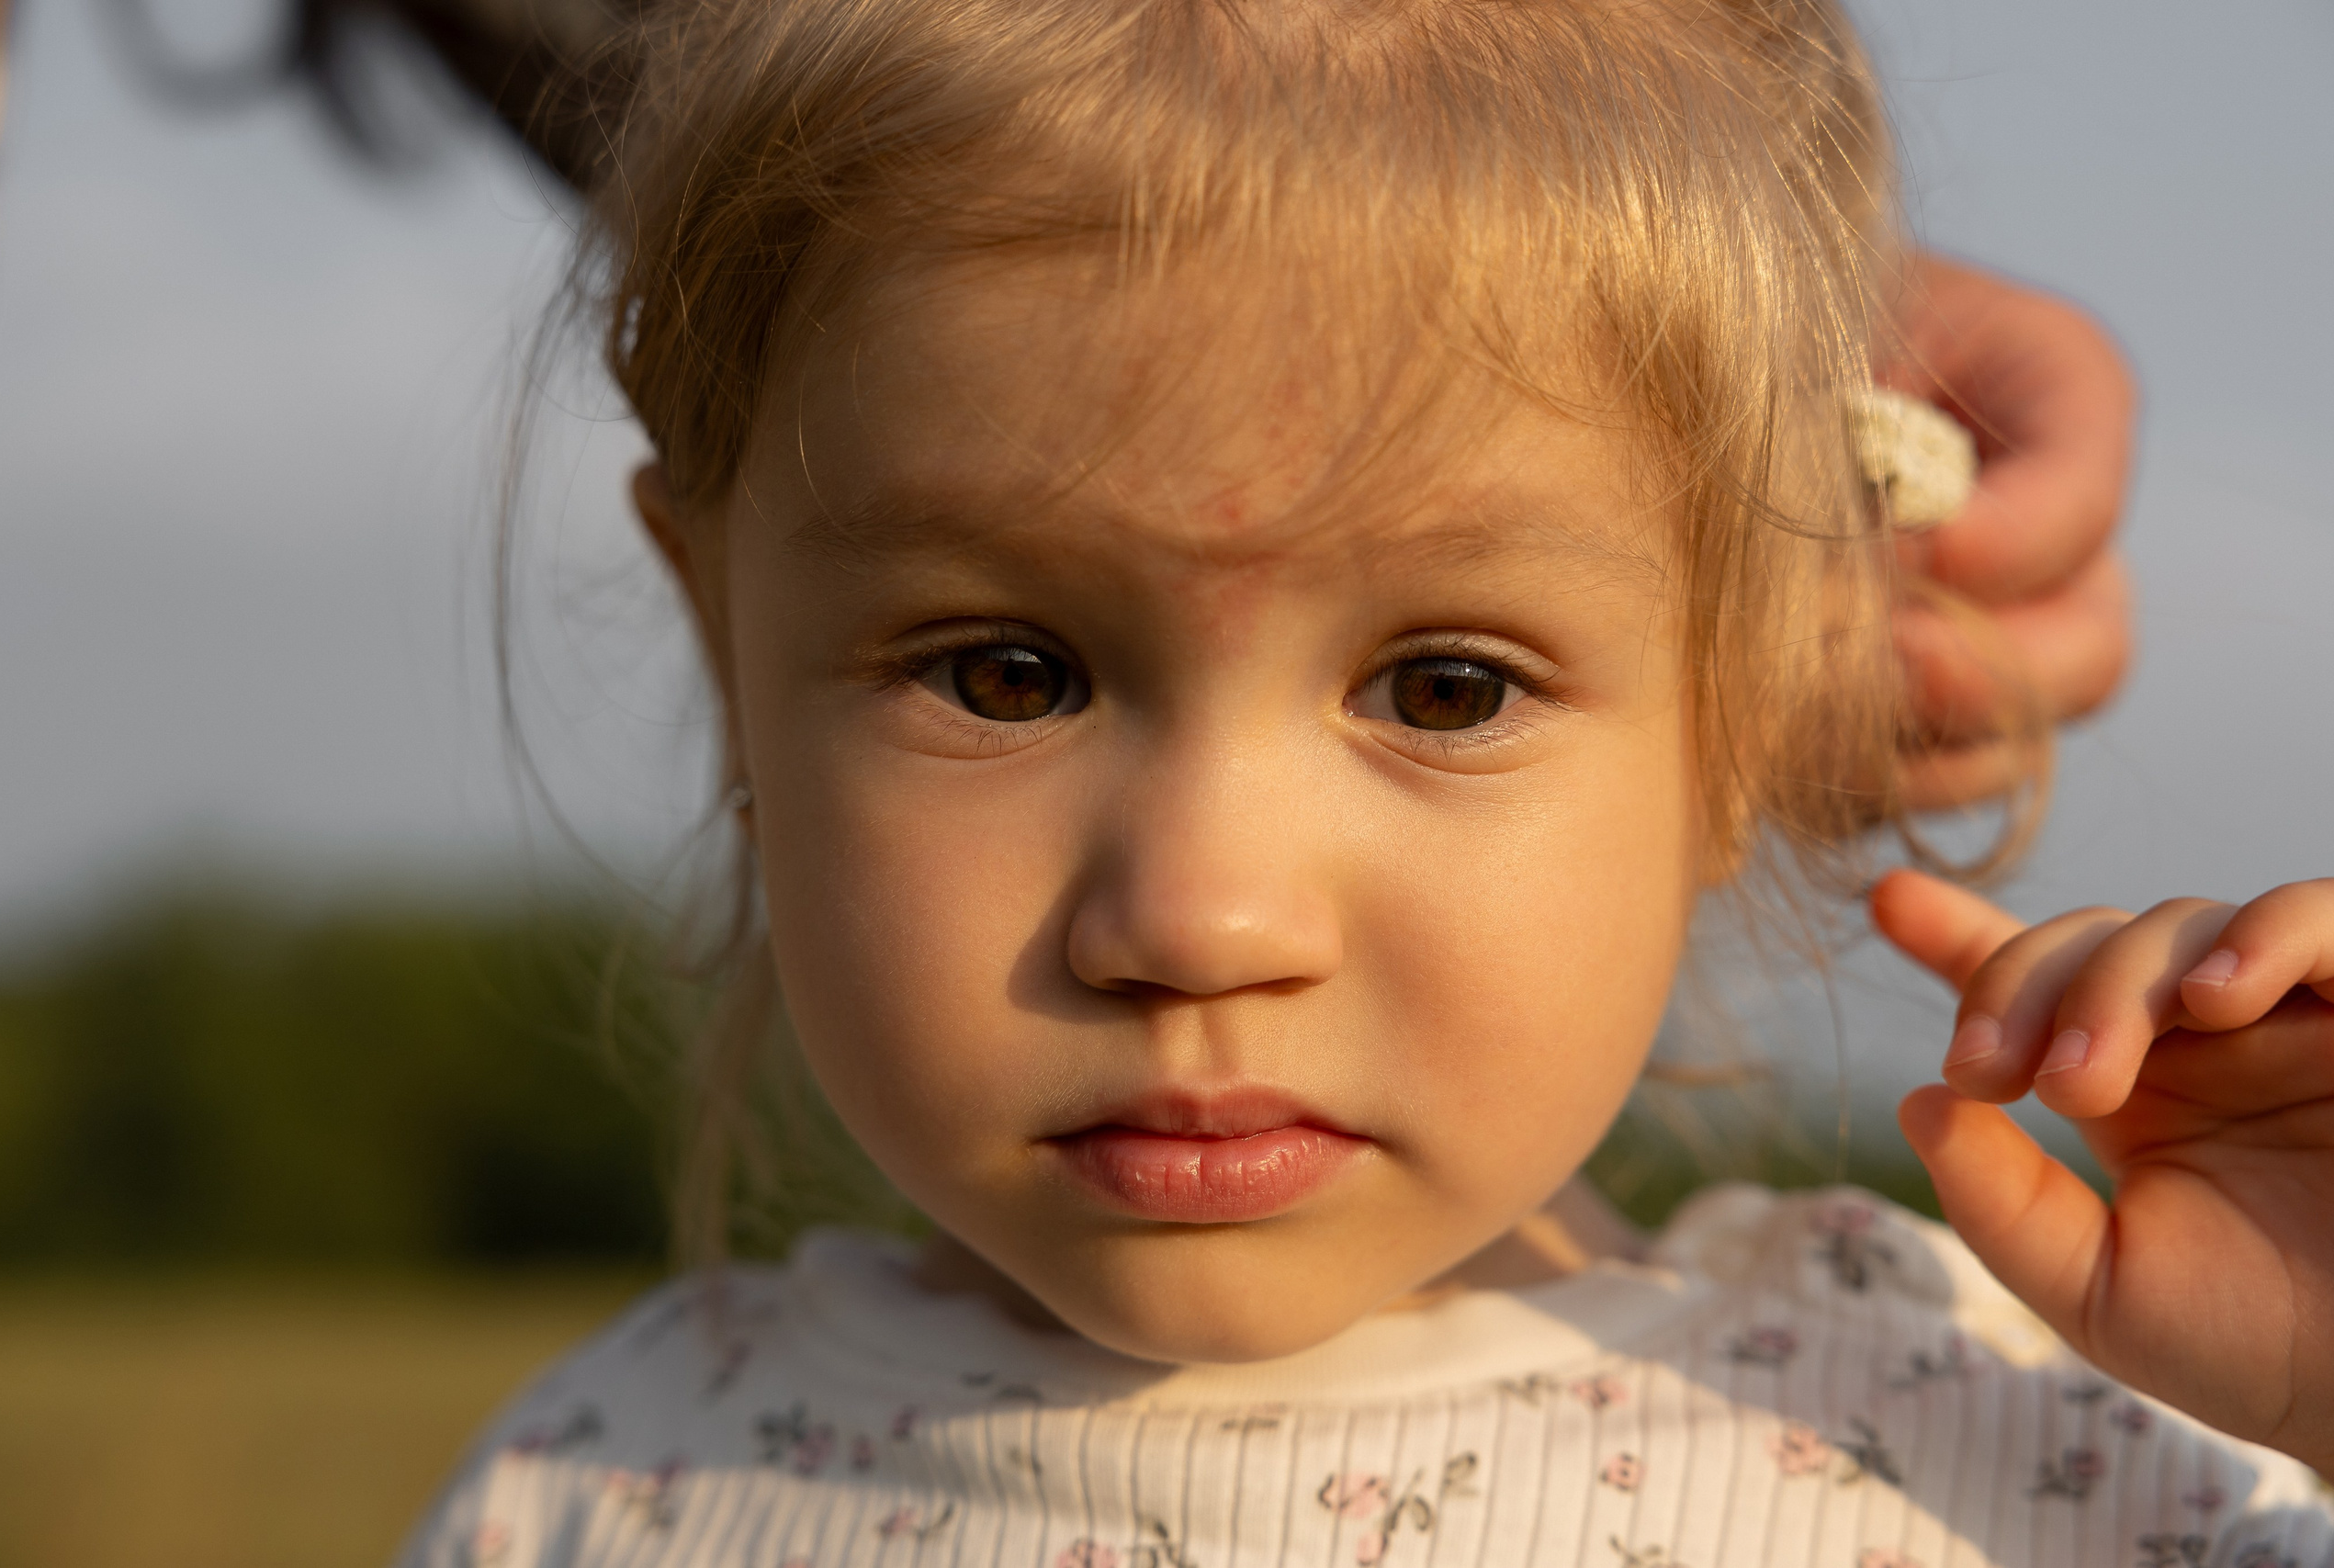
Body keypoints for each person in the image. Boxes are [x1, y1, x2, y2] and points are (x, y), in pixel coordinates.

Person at [398, 2, 2330, 1564]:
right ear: (724, 645)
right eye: (1005, 675)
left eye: (1442, 685)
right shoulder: (604, 1484)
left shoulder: (2003, 1436)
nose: (1196, 918)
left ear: (1751, 703)